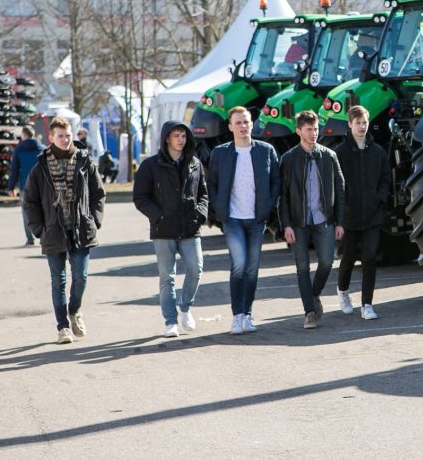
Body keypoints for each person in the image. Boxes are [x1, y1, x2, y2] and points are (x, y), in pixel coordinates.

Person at [22, 116, 106, 345]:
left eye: (68, 135)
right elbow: (30, 201)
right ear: (51, 138)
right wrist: (39, 230)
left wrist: (94, 220)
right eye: (60, 136)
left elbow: (98, 193)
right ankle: (63, 327)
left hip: (80, 229)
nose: (65, 139)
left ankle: (74, 310)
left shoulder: (84, 161)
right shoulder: (41, 168)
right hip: (53, 231)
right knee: (58, 281)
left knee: (81, 277)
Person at [208, 106, 280, 335]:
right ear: (230, 127)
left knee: (252, 269)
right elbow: (213, 184)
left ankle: (247, 314)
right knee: (239, 265)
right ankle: (237, 316)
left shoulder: (266, 151)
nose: (242, 126)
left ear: (252, 124)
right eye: (238, 122)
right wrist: (220, 211)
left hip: (257, 219)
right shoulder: (220, 153)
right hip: (233, 220)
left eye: (246, 121)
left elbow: (276, 181)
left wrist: (268, 205)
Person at [133, 121, 208, 338]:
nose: (180, 140)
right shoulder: (150, 166)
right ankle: (170, 321)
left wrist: (200, 214)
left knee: (196, 269)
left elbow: (203, 193)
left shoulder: (194, 163)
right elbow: (140, 198)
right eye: (176, 135)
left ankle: (185, 307)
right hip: (163, 229)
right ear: (167, 138)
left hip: (190, 228)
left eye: (183, 136)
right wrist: (159, 216)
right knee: (167, 277)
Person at [279, 110, 345, 330]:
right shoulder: (288, 159)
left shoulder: (329, 156)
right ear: (299, 131)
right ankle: (310, 312)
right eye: (308, 129)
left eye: (316, 129)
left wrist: (340, 221)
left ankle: (313, 293)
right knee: (302, 267)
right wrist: (286, 224)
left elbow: (341, 189)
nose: (313, 133)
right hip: (298, 222)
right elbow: (284, 196)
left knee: (327, 262)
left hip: (323, 219)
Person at [334, 106, 390, 320]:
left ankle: (367, 304)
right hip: (349, 216)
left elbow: (386, 177)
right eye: (357, 123)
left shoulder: (377, 152)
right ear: (350, 124)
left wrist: (380, 197)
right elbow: (336, 184)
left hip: (372, 215)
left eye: (364, 122)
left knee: (369, 257)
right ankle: (343, 291)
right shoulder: (340, 152)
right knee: (348, 258)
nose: (361, 126)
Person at [7, 125, 44, 246]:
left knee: (26, 213)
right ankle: (44, 236)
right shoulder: (43, 149)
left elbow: (14, 171)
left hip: (25, 186)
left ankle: (30, 239)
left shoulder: (18, 150)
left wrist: (11, 188)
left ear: (23, 135)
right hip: (42, 185)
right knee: (45, 210)